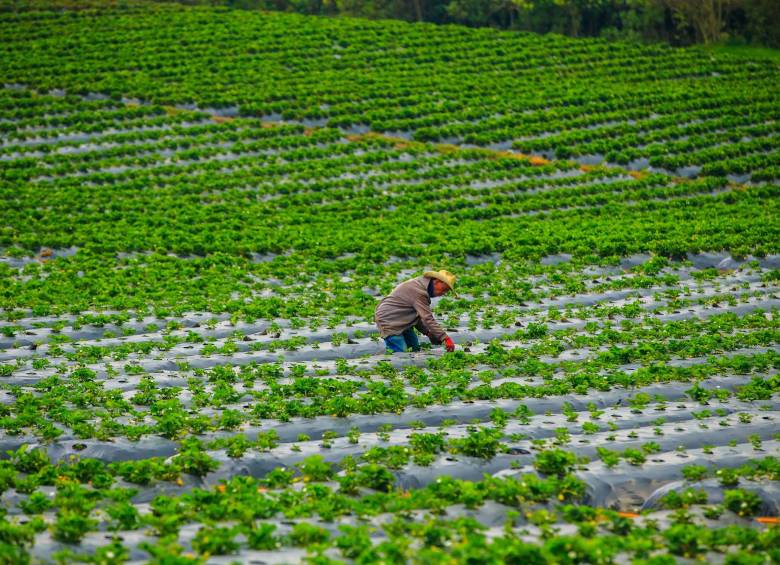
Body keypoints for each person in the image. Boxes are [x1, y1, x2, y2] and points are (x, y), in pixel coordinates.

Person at [374, 269, 458, 353]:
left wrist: (428, 333)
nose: (443, 293)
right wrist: (446, 338)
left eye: (446, 291)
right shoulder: (419, 290)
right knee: (400, 353)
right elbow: (427, 318)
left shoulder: (422, 287)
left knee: (414, 348)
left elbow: (416, 316)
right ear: (437, 281)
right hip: (388, 320)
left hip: (403, 321)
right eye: (443, 289)